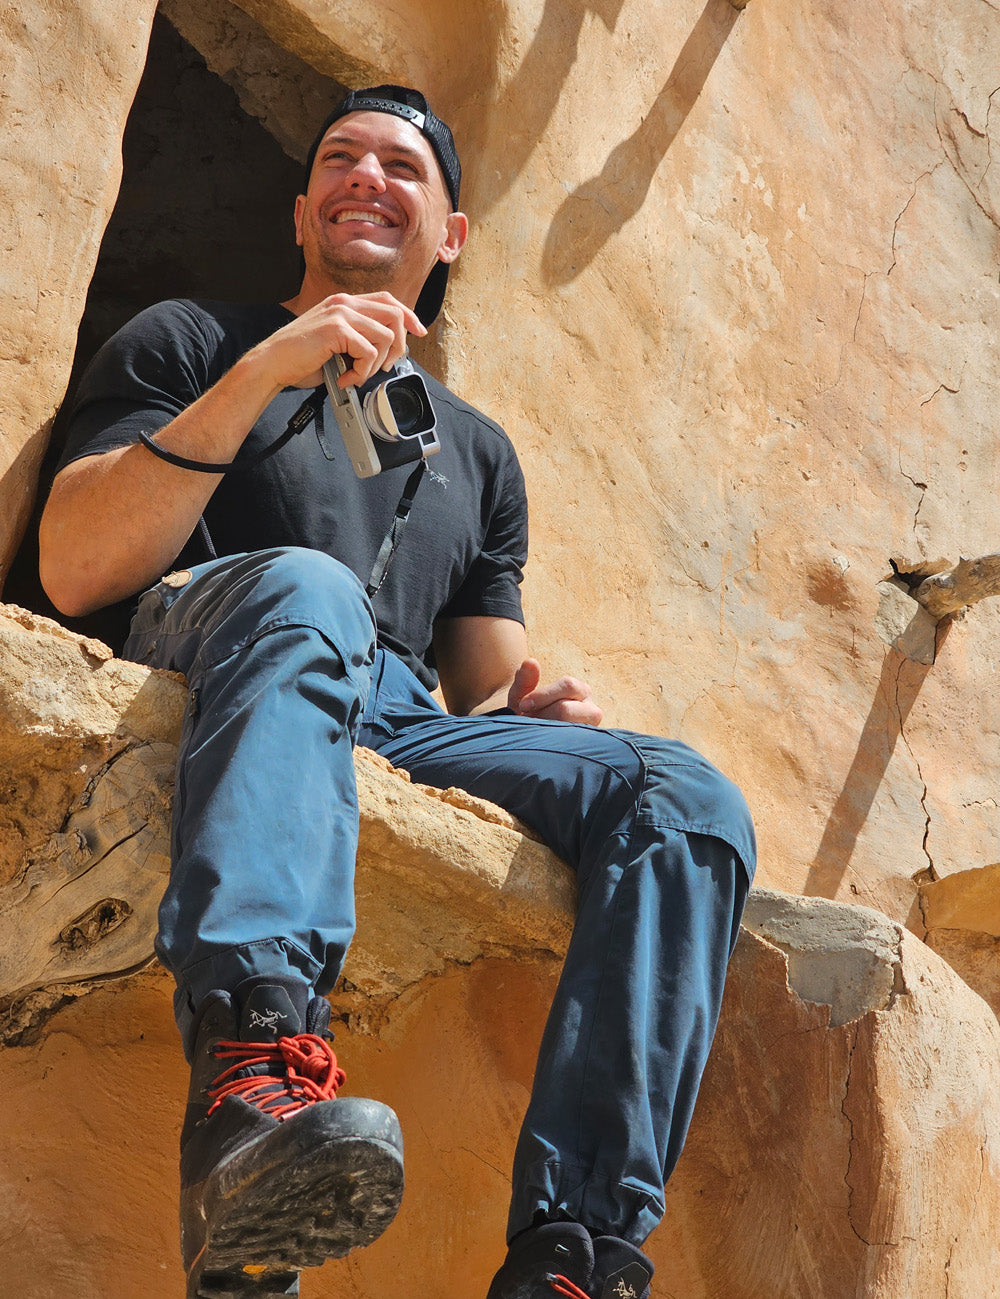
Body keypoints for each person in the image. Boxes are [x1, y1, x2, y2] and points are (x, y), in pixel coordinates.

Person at [38, 85, 755, 1299]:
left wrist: (530, 723)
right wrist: (272, 365)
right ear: (301, 206)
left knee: (682, 794)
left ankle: (575, 1252)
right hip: (213, 632)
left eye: (401, 165)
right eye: (337, 157)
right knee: (312, 590)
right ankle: (250, 1095)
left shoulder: (474, 450)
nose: (365, 176)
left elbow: (481, 680)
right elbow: (71, 564)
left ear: (452, 234)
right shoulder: (187, 338)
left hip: (397, 711)